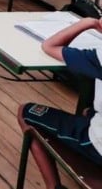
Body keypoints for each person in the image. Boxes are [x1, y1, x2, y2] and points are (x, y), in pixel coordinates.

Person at [18, 17, 102, 187]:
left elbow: (49, 46)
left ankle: (53, 186)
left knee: (25, 111)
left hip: (98, 144)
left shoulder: (99, 56)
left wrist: (89, 22)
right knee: (87, 111)